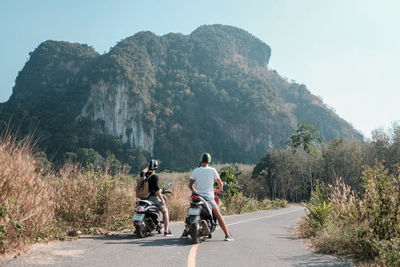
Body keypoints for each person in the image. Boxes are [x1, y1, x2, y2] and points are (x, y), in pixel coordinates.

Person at [187, 153, 234, 241]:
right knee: (218, 215)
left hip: (198, 196)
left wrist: (194, 191)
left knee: (190, 211)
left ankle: (185, 232)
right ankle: (227, 235)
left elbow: (190, 185)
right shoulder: (212, 170)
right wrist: (220, 190)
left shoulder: (196, 170)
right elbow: (220, 183)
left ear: (201, 160)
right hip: (208, 197)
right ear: (209, 160)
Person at [142, 159, 173, 237]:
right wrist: (162, 200)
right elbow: (157, 191)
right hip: (152, 198)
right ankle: (166, 231)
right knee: (165, 211)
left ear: (148, 166)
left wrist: (147, 167)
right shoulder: (155, 176)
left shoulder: (144, 175)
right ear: (156, 167)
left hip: (143, 198)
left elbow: (143, 171)